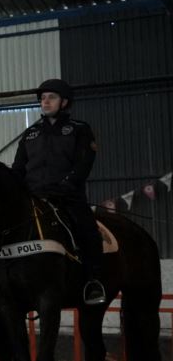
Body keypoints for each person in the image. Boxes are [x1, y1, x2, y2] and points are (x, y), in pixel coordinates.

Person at [12, 79, 105, 305]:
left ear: (64, 102)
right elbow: (18, 167)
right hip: (34, 197)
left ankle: (93, 281)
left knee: (88, 231)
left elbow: (84, 163)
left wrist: (65, 185)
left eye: (51, 97)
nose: (45, 102)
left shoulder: (79, 129)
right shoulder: (30, 133)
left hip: (67, 196)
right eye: (43, 98)